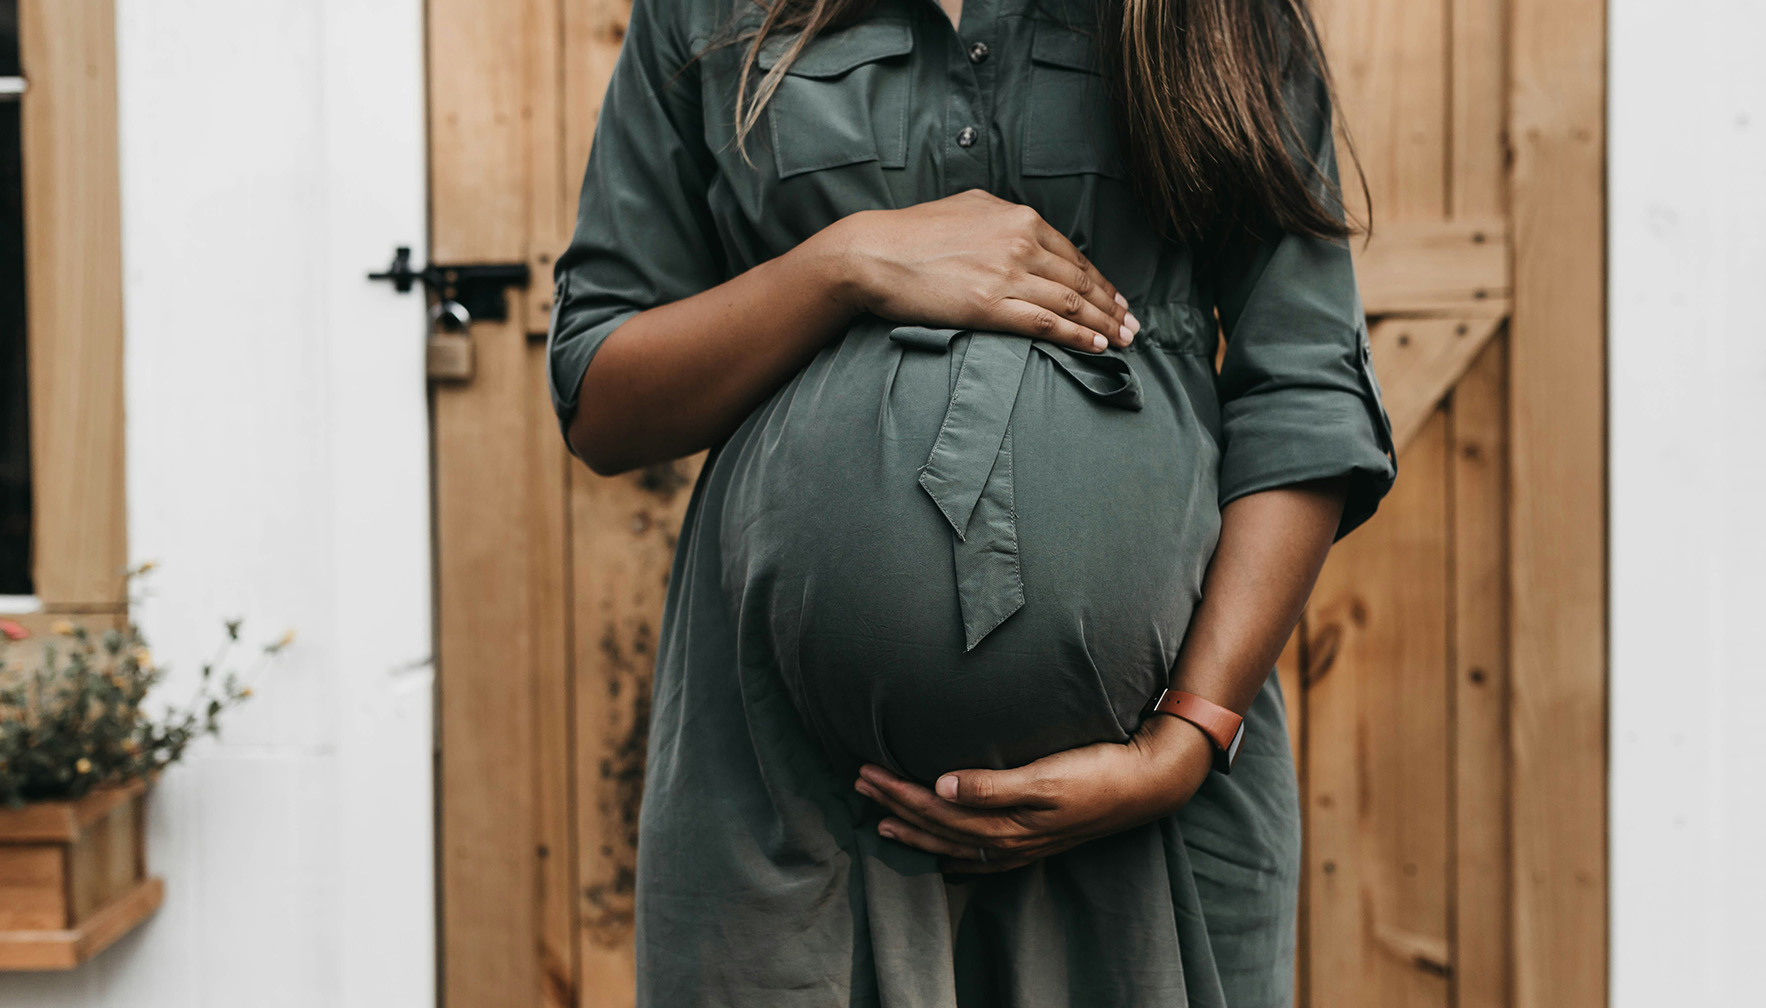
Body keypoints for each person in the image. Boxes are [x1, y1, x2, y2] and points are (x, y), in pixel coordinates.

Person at [545, 0, 1397, 1002]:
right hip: (789, 805)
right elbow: (601, 395)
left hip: (1149, 804)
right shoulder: (704, 12)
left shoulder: (1219, 12)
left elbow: (1303, 385)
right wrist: (843, 264)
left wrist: (1184, 743)